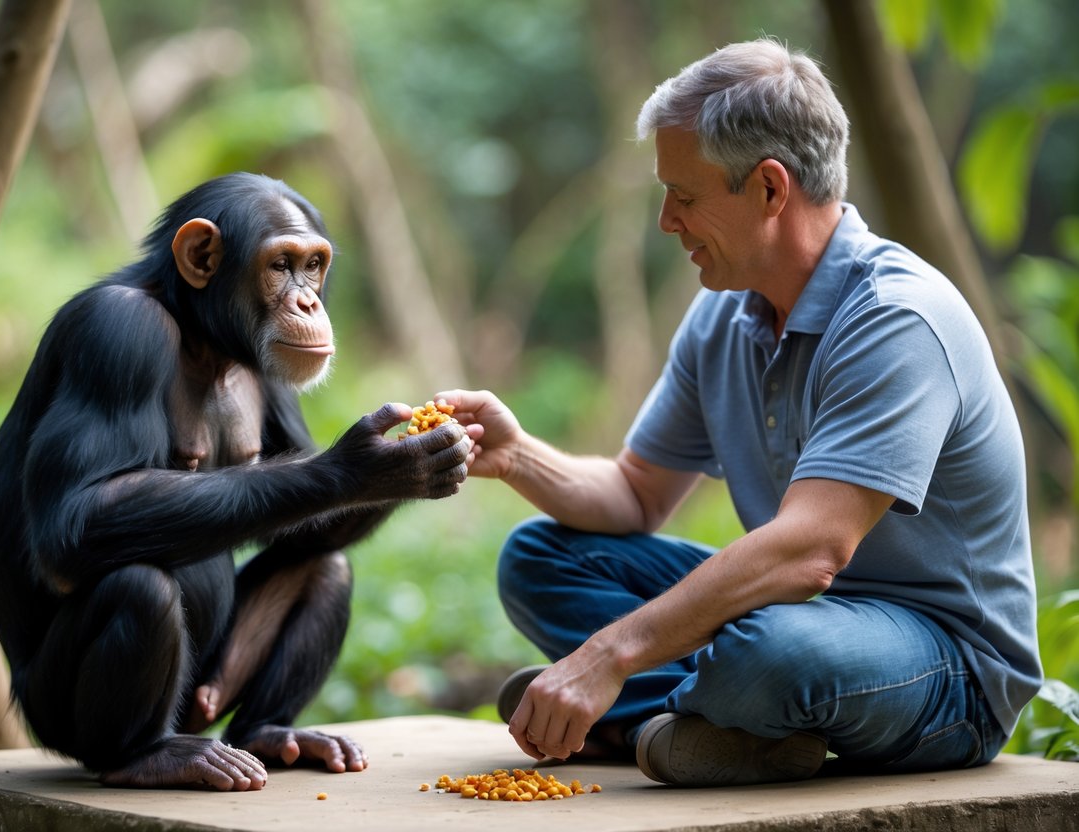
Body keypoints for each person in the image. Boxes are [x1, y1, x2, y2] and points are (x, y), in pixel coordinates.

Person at [438, 38, 1041, 786]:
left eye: (684, 196)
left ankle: (648, 712)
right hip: (794, 616)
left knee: (771, 647)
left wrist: (605, 656)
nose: (666, 221)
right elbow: (635, 496)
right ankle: (708, 728)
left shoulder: (896, 319)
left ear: (767, 188)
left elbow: (810, 553)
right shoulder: (722, 315)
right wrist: (517, 454)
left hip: (946, 672)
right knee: (540, 556)